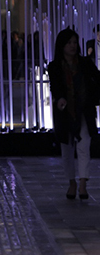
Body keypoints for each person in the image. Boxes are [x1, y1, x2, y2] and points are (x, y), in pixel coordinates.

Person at [48, 28, 100, 200]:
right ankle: (72, 182)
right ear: (61, 45)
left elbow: (97, 79)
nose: (72, 46)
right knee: (67, 148)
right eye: (69, 42)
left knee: (84, 145)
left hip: (84, 110)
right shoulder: (55, 66)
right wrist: (60, 99)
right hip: (65, 113)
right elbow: (55, 87)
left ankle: (83, 184)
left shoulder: (85, 63)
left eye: (74, 42)